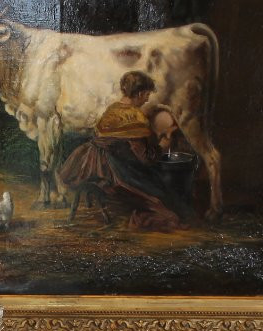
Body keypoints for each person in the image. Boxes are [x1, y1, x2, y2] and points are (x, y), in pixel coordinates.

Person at [58, 70, 193, 231]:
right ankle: (141, 220)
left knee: (159, 188)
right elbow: (145, 158)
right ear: (140, 93)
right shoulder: (134, 117)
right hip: (115, 173)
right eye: (147, 94)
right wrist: (163, 145)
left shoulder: (113, 109)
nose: (147, 99)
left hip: (91, 165)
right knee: (163, 200)